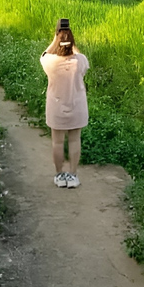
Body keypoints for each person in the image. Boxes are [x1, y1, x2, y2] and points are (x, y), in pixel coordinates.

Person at [40, 18, 89, 189]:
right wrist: (70, 42)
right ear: (72, 41)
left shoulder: (50, 62)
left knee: (58, 142)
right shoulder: (80, 60)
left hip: (56, 108)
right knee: (75, 141)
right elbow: (78, 56)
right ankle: (73, 175)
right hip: (77, 108)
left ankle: (60, 175)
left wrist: (56, 38)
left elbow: (44, 54)